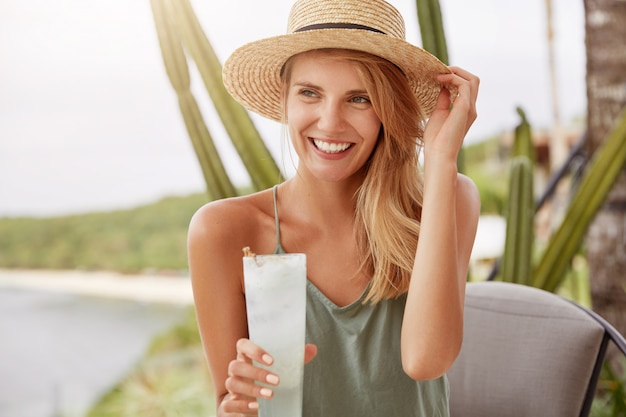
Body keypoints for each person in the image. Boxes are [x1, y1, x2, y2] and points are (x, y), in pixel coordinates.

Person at [188, 0, 480, 415]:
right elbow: (231, 404)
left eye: (359, 99)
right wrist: (237, 405)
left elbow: (425, 361)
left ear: (387, 110)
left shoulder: (447, 199)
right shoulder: (224, 231)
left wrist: (441, 160)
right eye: (310, 93)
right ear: (285, 100)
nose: (329, 122)